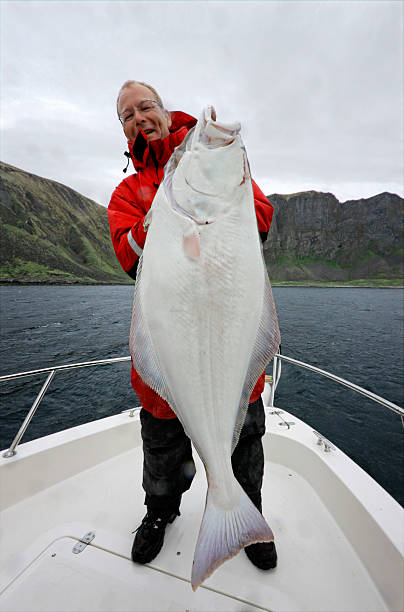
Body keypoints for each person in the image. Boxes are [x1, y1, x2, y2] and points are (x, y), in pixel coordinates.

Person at [108, 80, 277, 571]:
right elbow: (128, 255)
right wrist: (163, 210)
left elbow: (261, 219)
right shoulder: (128, 192)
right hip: (170, 355)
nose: (139, 118)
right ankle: (159, 515)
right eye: (127, 115)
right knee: (161, 452)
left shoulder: (209, 165)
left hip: (227, 347)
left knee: (244, 443)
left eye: (146, 107)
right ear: (122, 129)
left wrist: (221, 174)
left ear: (163, 110)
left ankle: (247, 517)